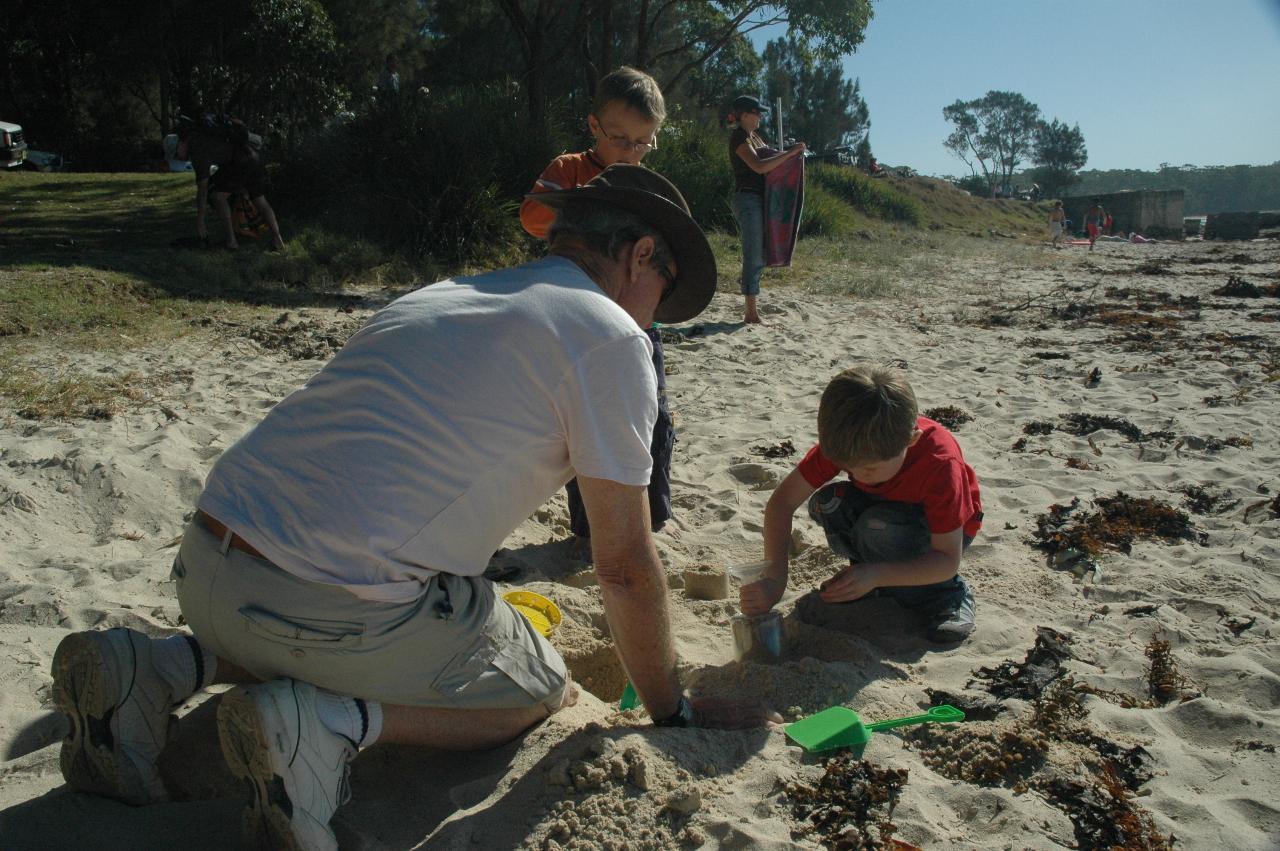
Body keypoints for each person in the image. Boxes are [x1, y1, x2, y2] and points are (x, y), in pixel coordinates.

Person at [49, 165, 778, 850]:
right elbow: (622, 563)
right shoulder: (611, 336)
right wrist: (671, 710)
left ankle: (163, 665)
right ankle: (330, 725)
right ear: (640, 253)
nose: (658, 315)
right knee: (536, 686)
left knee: (364, 592)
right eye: (666, 284)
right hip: (321, 604)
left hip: (205, 567)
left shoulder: (446, 290)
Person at [521, 66, 674, 547]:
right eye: (620, 139)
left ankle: (656, 518)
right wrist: (585, 202)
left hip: (636, 321)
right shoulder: (569, 170)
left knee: (656, 414)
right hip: (579, 320)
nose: (630, 152)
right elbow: (531, 216)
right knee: (586, 423)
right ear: (594, 127)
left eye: (643, 143)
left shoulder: (645, 184)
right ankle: (590, 528)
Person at [739, 365, 982, 643]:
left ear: (911, 440)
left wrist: (877, 574)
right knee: (827, 504)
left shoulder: (939, 464)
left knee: (876, 529)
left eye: (868, 469)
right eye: (847, 467)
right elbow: (781, 504)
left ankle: (947, 595)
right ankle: (874, 576)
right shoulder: (851, 440)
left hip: (945, 535)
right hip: (884, 515)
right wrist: (774, 581)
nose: (855, 474)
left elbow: (947, 559)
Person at [727, 95, 806, 324]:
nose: (760, 116)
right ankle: (750, 312)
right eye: (756, 112)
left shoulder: (754, 138)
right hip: (748, 199)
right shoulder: (739, 138)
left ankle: (752, 308)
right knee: (753, 254)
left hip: (759, 199)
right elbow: (759, 167)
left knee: (759, 254)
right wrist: (790, 153)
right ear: (744, 114)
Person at [175, 113, 284, 250]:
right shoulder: (204, 138)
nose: (179, 158)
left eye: (176, 154)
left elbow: (202, 189)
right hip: (254, 156)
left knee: (217, 196)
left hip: (239, 162)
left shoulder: (197, 148)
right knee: (260, 200)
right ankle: (278, 239)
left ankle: (231, 242)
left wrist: (200, 221)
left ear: (181, 142)